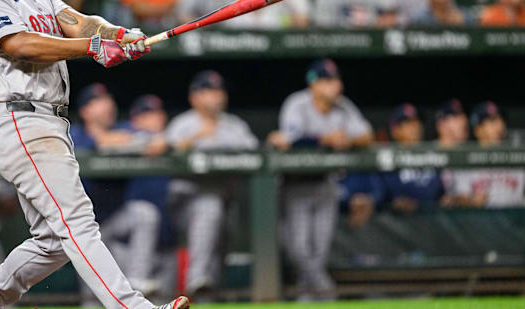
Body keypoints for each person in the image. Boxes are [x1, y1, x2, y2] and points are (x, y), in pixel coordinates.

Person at [0, 0, 188, 309]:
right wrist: (93, 48)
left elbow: (80, 24)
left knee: (54, 240)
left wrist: (118, 34)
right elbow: (20, 44)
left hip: (48, 121)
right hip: (17, 117)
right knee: (77, 221)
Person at [267, 59, 374, 301]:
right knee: (299, 249)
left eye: (336, 80)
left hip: (326, 184)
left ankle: (308, 300)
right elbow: (289, 140)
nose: (336, 86)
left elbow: (366, 134)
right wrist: (327, 139)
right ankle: (327, 292)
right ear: (313, 84)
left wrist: (348, 139)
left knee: (320, 251)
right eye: (328, 81)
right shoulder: (297, 103)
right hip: (296, 184)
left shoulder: (344, 107)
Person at [164, 70, 259, 298]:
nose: (216, 96)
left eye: (219, 91)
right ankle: (195, 278)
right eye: (208, 91)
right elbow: (166, 151)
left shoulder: (234, 125)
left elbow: (257, 154)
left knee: (220, 243)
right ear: (194, 97)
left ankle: (204, 294)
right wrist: (195, 138)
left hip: (225, 198)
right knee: (209, 206)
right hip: (184, 202)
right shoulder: (183, 124)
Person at [69, 84, 164, 300]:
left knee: (144, 214)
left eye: (108, 99)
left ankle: (138, 278)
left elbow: (158, 141)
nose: (108, 105)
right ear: (85, 111)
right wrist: (120, 143)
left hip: (115, 217)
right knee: (92, 297)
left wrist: (129, 141)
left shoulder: (124, 128)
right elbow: (97, 142)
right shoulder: (74, 133)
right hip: (81, 227)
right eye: (99, 101)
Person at [442, 102, 525, 207]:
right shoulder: (466, 158)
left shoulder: (517, 156)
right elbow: (456, 197)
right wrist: (470, 201)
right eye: (492, 121)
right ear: (478, 130)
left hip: (516, 220)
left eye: (501, 120)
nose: (500, 126)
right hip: (481, 221)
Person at [381, 104, 443, 213]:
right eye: (408, 123)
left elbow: (438, 192)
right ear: (395, 130)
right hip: (398, 222)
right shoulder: (386, 158)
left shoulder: (433, 154)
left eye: (417, 122)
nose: (416, 127)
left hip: (433, 220)